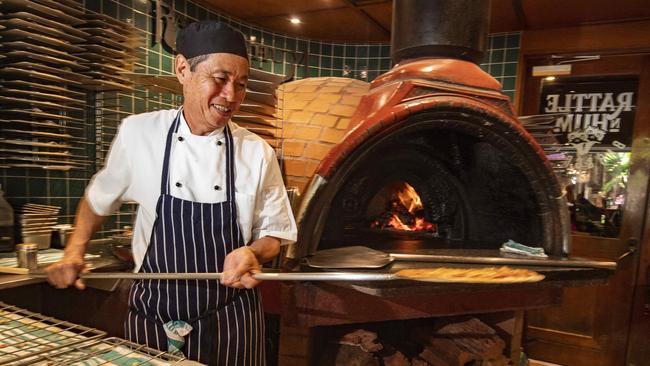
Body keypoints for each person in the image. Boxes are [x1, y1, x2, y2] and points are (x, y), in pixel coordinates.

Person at [45, 20, 297, 365]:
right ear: (182, 69)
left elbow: (274, 233)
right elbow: (97, 200)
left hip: (230, 319)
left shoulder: (256, 152)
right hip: (154, 315)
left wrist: (253, 253)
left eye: (240, 84)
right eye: (220, 79)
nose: (231, 96)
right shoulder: (139, 133)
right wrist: (74, 250)